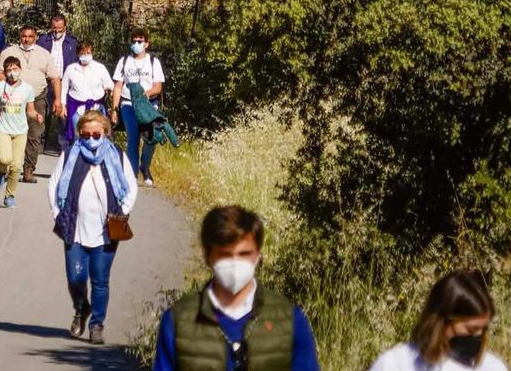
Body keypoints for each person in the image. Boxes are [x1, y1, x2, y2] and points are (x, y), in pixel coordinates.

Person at [153, 204, 321, 370]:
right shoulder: (178, 321)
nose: (235, 264)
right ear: (208, 256)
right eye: (225, 255)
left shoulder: (290, 320)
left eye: (244, 254)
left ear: (257, 255)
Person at [50, 107, 138, 345]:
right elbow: (55, 184)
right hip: (74, 227)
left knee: (100, 279)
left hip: (106, 230)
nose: (91, 139)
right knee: (75, 278)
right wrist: (58, 213)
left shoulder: (117, 156)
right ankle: (81, 309)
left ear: (106, 133)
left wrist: (123, 212)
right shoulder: (69, 155)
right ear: (80, 134)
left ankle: (96, 324)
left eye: (96, 135)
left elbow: (130, 187)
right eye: (86, 135)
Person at [367, 270, 505, 371]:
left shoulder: (492, 367)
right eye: (471, 329)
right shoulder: (396, 364)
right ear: (441, 322)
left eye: (484, 329)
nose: (478, 336)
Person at [0, 21, 56, 183]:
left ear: (36, 37)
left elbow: (54, 78)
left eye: (30, 36)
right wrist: (9, 87)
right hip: (14, 99)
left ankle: (29, 169)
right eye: (24, 36)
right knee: (13, 133)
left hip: (37, 98)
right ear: (20, 37)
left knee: (34, 134)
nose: (27, 39)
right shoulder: (9, 52)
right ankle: (10, 168)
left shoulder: (44, 54)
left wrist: (58, 99)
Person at [112, 27, 167, 185]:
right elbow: (118, 86)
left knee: (152, 137)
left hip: (149, 104)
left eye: (140, 41)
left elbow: (158, 86)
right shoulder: (124, 61)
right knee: (133, 137)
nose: (136, 44)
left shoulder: (153, 62)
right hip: (128, 104)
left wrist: (146, 94)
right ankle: (132, 173)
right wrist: (115, 109)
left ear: (146, 44)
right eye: (134, 41)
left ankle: (145, 166)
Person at [0, 55, 34, 207]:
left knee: (16, 166)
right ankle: (1, 171)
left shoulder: (27, 89)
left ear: (20, 69)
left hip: (20, 131)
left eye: (15, 69)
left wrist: (37, 115)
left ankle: (9, 195)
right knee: (4, 159)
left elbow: (30, 110)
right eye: (8, 70)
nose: (12, 73)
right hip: (3, 128)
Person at [59, 35, 116, 146]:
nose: (85, 56)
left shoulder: (100, 68)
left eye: (88, 53)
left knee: (99, 135)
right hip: (77, 108)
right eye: (83, 53)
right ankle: (78, 160)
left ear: (92, 53)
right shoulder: (71, 69)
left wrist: (110, 90)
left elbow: (110, 85)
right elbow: (64, 88)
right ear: (78, 54)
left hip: (97, 108)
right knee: (77, 136)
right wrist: (62, 105)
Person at [39, 12, 81, 151]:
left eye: (60, 28)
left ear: (65, 27)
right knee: (44, 112)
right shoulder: (43, 41)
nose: (57, 31)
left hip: (64, 83)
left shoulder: (73, 43)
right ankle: (41, 142)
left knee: (63, 113)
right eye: (54, 28)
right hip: (47, 82)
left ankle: (62, 145)